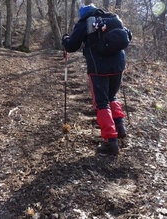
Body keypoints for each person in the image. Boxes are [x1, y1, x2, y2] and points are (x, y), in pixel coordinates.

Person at [62, 1, 129, 155]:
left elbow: (72, 45)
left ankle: (110, 141)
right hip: (119, 65)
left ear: (82, 14)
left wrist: (65, 39)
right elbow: (127, 36)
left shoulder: (84, 22)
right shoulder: (111, 18)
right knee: (112, 95)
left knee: (101, 103)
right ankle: (120, 127)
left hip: (99, 68)